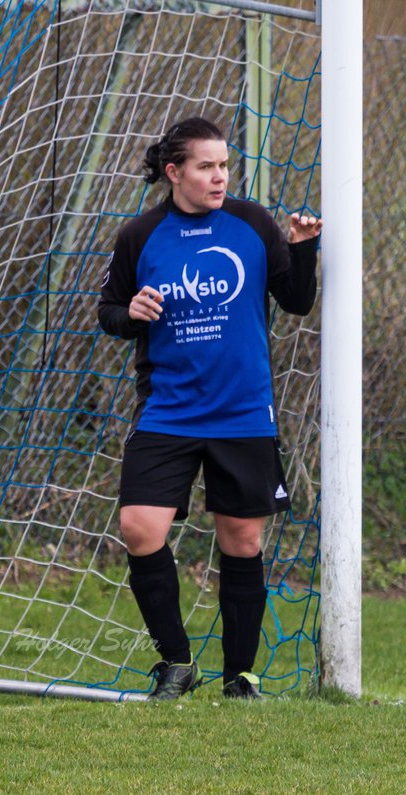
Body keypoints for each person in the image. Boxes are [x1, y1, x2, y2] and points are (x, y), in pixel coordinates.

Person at [97, 116, 322, 701]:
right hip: (168, 411)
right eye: (206, 166)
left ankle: (240, 676)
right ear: (175, 172)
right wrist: (134, 312)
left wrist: (303, 249)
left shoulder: (250, 224)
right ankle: (176, 663)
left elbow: (296, 302)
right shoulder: (140, 237)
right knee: (139, 528)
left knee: (242, 540)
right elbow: (110, 313)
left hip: (243, 412)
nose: (219, 176)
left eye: (224, 165)